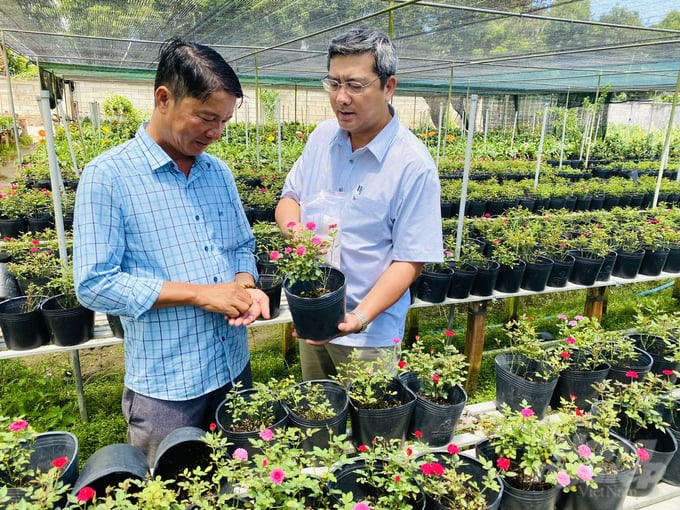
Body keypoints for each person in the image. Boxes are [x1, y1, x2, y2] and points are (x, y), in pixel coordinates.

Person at [73, 37, 268, 465]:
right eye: (205, 117)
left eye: (224, 121)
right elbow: (93, 283)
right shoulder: (108, 176)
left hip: (233, 367)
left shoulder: (217, 173)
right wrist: (200, 293)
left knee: (242, 479)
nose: (215, 133)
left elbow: (240, 245)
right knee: (174, 488)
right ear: (163, 98)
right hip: (168, 384)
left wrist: (244, 285)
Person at [275, 27, 443, 380]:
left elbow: (411, 259)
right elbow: (289, 199)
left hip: (370, 335)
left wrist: (359, 317)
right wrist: (299, 238)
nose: (341, 98)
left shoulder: (412, 165)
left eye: (355, 85)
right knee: (317, 420)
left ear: (388, 87)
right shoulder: (321, 139)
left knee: (373, 428)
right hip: (314, 316)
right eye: (334, 84)